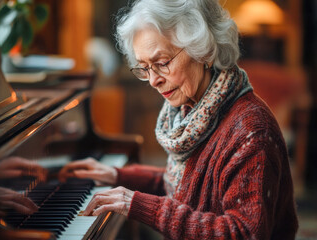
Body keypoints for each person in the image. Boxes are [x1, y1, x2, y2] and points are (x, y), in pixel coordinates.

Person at [59, 0, 298, 239]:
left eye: (162, 63)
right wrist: (117, 175)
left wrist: (138, 204)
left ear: (202, 50)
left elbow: (243, 233)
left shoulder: (251, 131)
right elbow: (186, 186)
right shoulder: (193, 112)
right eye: (144, 67)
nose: (153, 80)